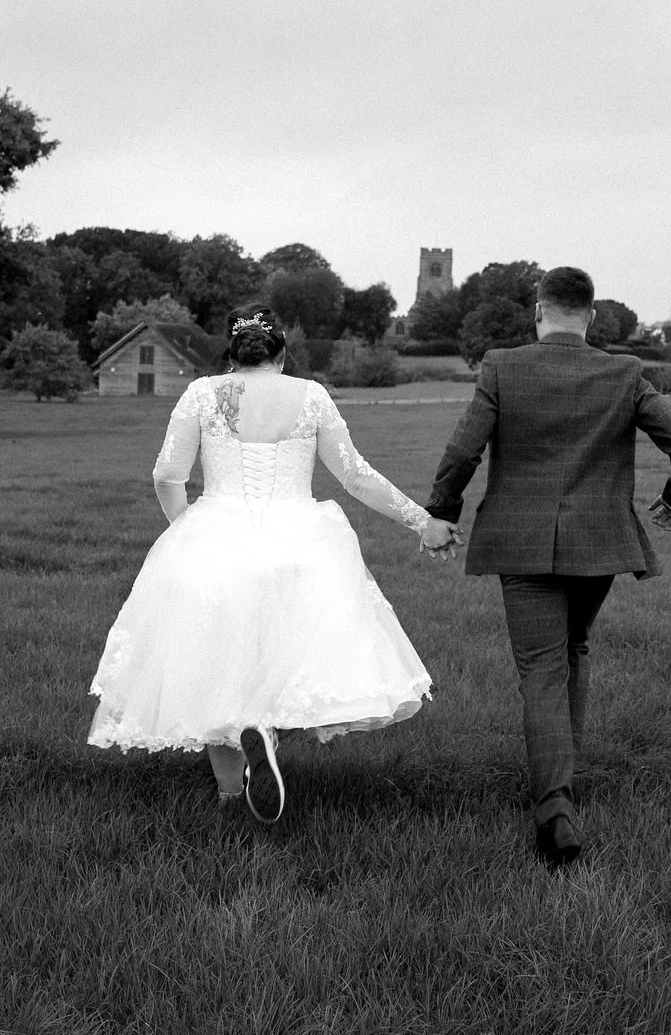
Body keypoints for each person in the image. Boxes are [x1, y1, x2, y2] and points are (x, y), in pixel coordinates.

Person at [88, 303, 458, 822]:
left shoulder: (201, 393)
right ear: (282, 351)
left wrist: (188, 531)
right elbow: (355, 476)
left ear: (231, 354)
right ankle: (264, 733)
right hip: (300, 544)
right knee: (286, 654)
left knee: (215, 666)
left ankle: (230, 797)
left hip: (216, 538)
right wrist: (424, 522)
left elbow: (166, 476)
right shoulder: (311, 395)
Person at [423, 266, 671, 867]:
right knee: (572, 651)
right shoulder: (624, 371)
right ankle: (561, 788)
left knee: (544, 669)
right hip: (598, 542)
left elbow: (464, 449)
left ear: (539, 311)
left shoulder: (501, 365)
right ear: (591, 317)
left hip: (520, 542)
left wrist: (443, 510)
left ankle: (554, 807)